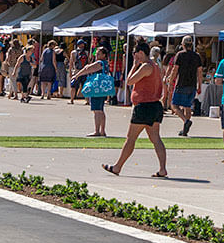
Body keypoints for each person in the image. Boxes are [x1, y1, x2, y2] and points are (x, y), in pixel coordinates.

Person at [102, 40, 167, 178]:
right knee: (156, 138)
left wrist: (134, 65)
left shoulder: (145, 66)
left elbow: (130, 81)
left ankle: (117, 167)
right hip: (155, 106)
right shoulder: (155, 66)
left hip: (144, 106)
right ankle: (162, 169)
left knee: (130, 139)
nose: (134, 56)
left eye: (135, 53)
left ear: (141, 53)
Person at [72, 46, 113, 137]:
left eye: (98, 53)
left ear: (104, 55)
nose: (96, 55)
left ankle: (97, 131)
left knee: (97, 110)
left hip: (96, 88)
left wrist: (77, 75)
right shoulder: (105, 63)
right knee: (101, 110)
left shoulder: (99, 63)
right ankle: (102, 130)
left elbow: (88, 69)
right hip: (102, 88)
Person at [168, 37, 203, 136]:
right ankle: (185, 129)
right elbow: (199, 72)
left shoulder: (180, 55)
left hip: (181, 83)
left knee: (174, 105)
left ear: (183, 44)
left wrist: (170, 82)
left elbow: (175, 70)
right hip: (192, 84)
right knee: (187, 106)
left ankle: (185, 121)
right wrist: (199, 85)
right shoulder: (197, 56)